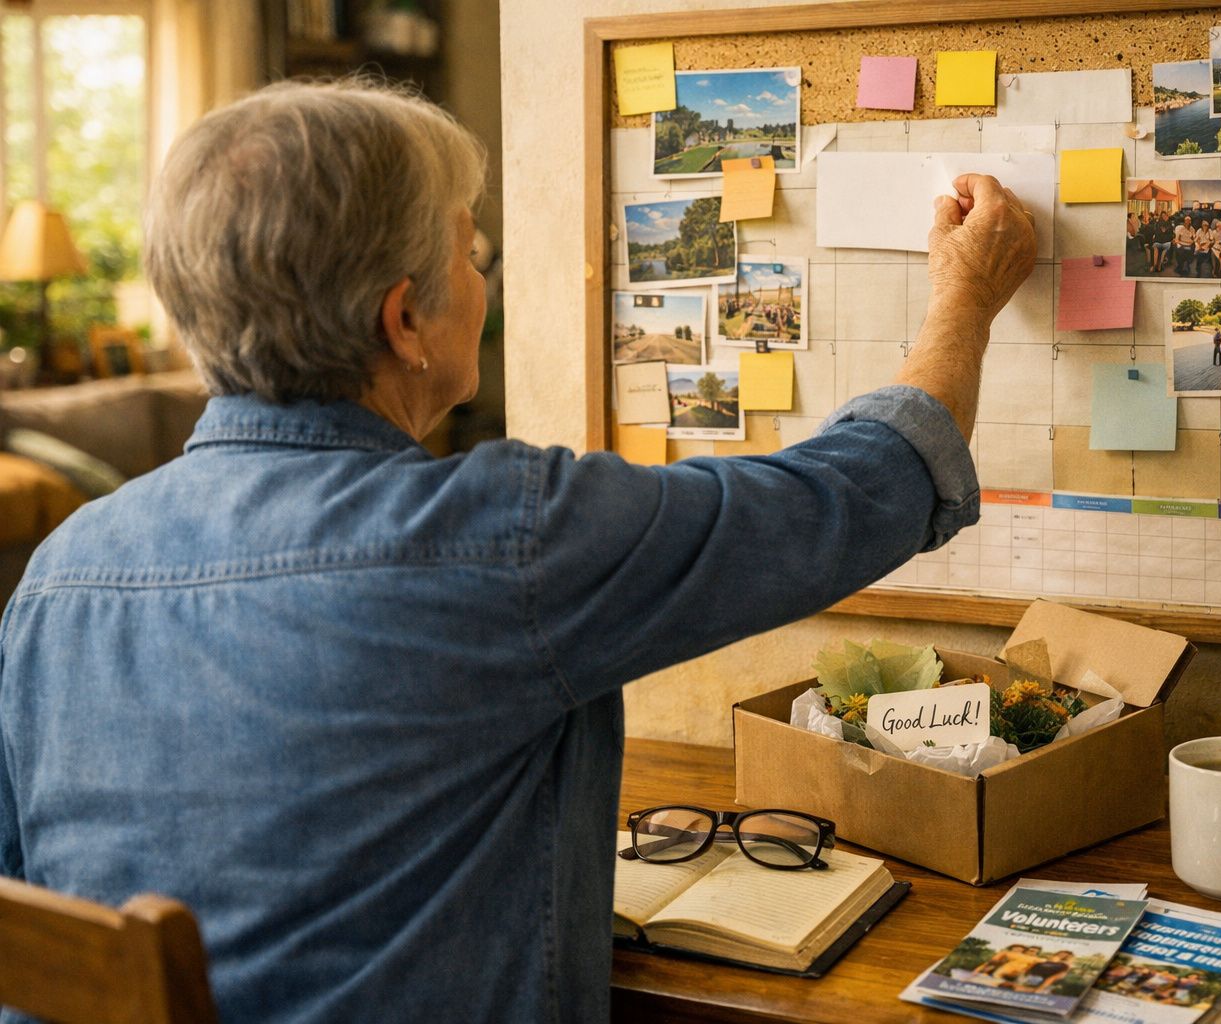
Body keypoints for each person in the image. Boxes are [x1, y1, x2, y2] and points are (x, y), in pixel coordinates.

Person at [0, 80, 1038, 1022]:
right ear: (405, 318)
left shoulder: (58, 574)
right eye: (471, 253)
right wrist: (964, 299)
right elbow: (851, 496)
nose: (480, 280)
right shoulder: (501, 540)